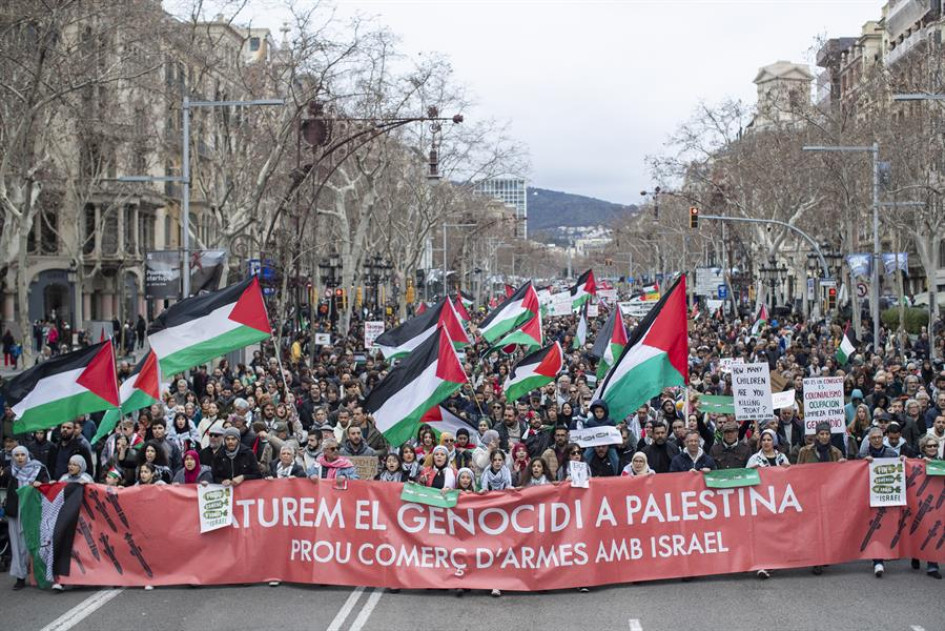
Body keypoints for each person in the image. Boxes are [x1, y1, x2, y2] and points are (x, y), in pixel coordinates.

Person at [2, 445, 49, 590]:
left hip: (32, 511)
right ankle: (20, 576)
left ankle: (38, 573)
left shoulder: (38, 469)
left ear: (27, 455)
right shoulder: (9, 471)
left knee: (32, 542)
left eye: (22, 455)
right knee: (16, 545)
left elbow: (47, 486)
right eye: (16, 455)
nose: (20, 458)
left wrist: (40, 485)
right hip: (15, 512)